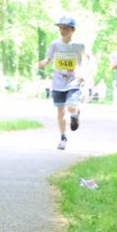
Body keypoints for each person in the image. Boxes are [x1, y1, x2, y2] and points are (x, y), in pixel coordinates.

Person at [38, 16, 85, 150]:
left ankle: (75, 114)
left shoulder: (79, 45)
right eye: (60, 27)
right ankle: (63, 137)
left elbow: (89, 58)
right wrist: (43, 63)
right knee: (60, 111)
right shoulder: (54, 44)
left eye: (65, 27)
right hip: (58, 81)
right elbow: (48, 59)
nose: (62, 30)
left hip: (74, 81)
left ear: (73, 29)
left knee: (70, 107)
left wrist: (84, 73)